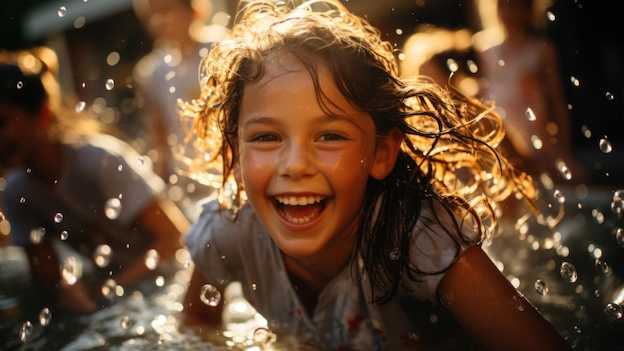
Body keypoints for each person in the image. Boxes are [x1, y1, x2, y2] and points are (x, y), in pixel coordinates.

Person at [179, 1, 572, 350]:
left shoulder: (419, 240)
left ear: (382, 152)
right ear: (235, 149)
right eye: (267, 137)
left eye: (329, 135)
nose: (295, 165)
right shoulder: (228, 228)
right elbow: (196, 323)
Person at [0, 48, 190, 314]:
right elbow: (46, 281)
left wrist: (105, 291)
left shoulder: (99, 161)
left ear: (42, 114)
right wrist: (70, 293)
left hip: (171, 279)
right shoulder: (17, 192)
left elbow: (175, 238)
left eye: (1, 122)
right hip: (121, 289)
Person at [132, 0, 226, 221]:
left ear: (195, 10)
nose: (159, 22)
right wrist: (159, 180)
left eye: (166, 12)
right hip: (188, 181)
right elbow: (159, 134)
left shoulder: (219, 49)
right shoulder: (153, 72)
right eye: (152, 16)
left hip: (228, 169)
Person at [476, 0, 585, 185]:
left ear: (529, 12)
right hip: (499, 138)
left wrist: (565, 154)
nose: (510, 13)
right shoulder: (483, 47)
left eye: (516, 6)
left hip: (536, 139)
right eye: (504, 6)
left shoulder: (542, 50)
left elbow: (557, 101)